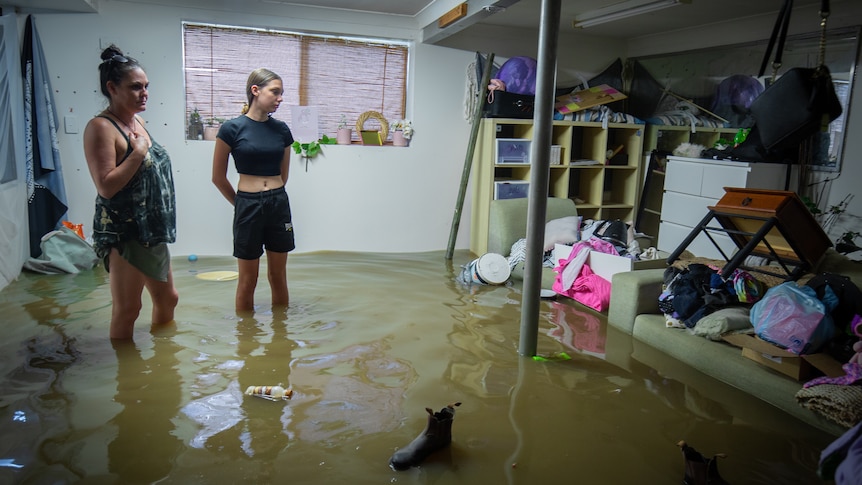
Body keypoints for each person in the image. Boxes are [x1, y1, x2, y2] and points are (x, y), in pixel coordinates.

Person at [83, 45, 178, 339]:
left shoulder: (138, 122)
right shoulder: (101, 127)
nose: (145, 93)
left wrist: (140, 149)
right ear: (112, 88)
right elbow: (106, 186)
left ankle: (165, 359)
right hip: (125, 231)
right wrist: (137, 153)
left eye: (146, 86)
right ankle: (127, 378)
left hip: (151, 229)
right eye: (136, 87)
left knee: (168, 298)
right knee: (128, 309)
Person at [212, 68, 295, 313]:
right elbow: (218, 177)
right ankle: (245, 343)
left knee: (278, 276)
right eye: (275, 92)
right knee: (248, 280)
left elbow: (284, 174)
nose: (280, 98)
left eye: (282, 93)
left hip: (278, 204)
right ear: (255, 91)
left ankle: (281, 338)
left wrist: (272, 196)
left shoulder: (282, 130)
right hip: (247, 205)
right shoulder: (231, 129)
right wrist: (240, 204)